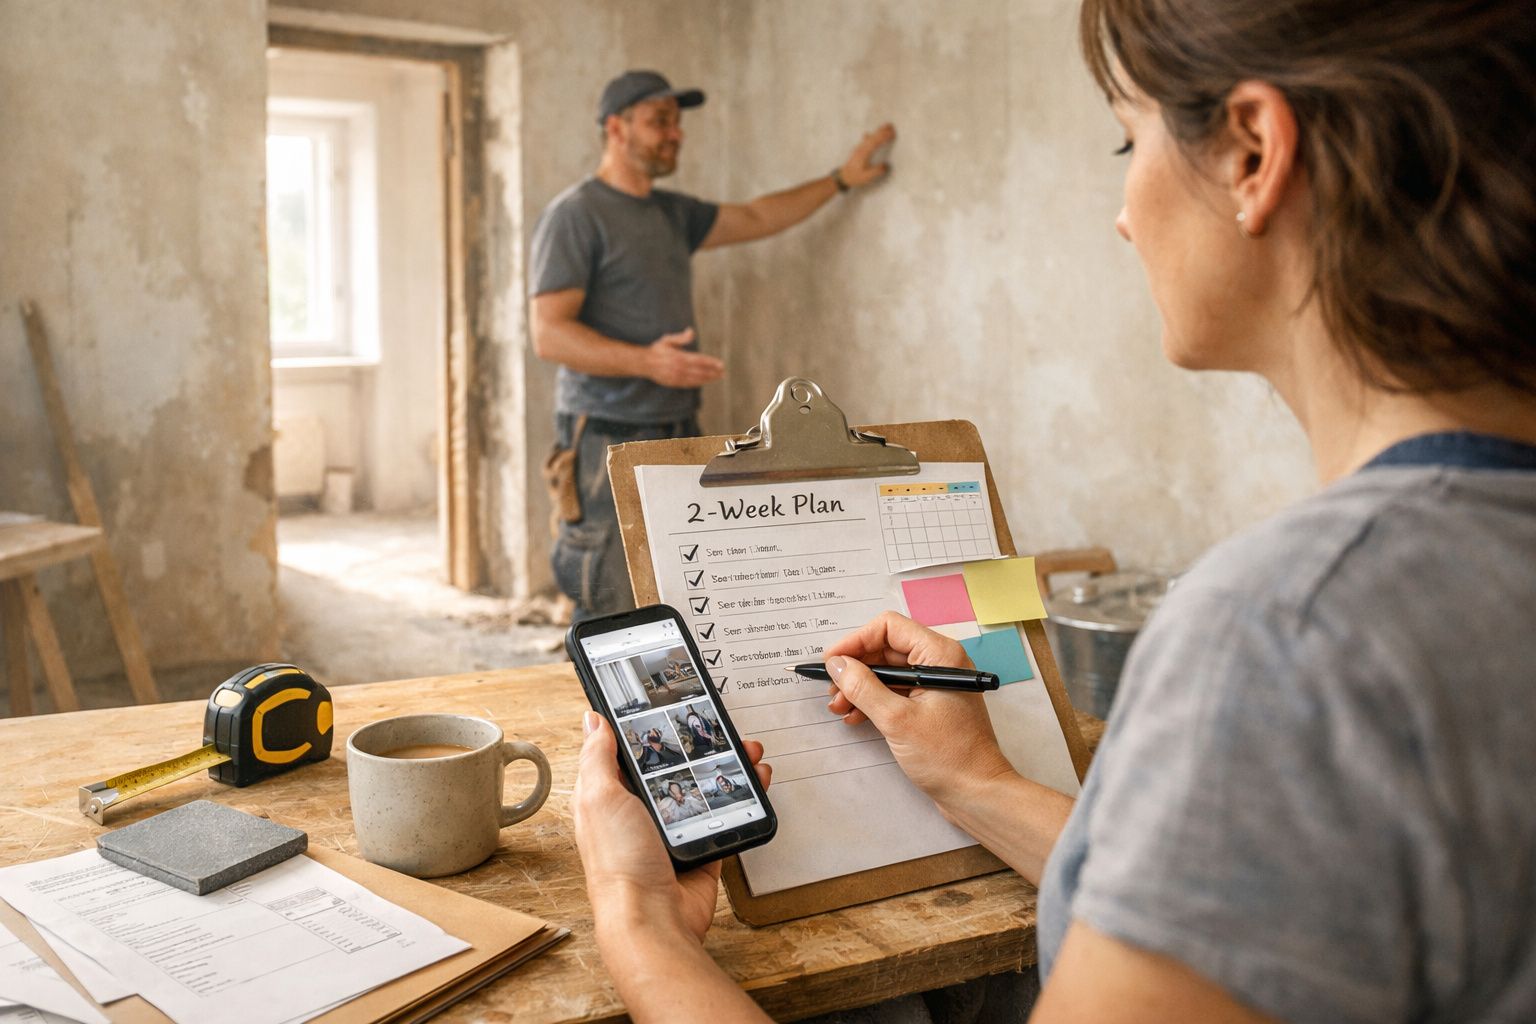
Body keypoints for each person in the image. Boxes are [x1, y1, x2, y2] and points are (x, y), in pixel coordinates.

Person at [573, 1, 1536, 1021]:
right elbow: (1247, 902)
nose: (1123, 214)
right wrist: (974, 779)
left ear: (1254, 153)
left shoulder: (1285, 637)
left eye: (1129, 138)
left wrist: (640, 923)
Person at [530, 69, 897, 620]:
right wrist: (647, 363)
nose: (675, 133)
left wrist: (841, 179)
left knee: (674, 589)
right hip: (606, 432)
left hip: (677, 427)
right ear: (616, 128)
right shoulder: (576, 215)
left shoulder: (671, 213)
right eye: (659, 121)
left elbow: (756, 216)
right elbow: (548, 333)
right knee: (608, 598)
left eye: (677, 122)